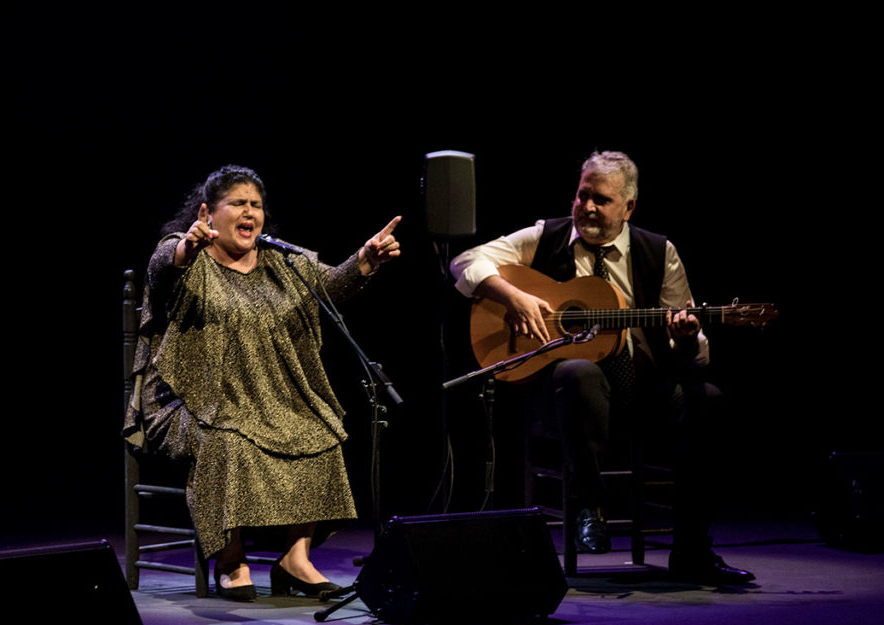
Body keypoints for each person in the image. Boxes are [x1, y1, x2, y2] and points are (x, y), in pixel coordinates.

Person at [449, 150, 754, 585]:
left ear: (628, 207)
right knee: (578, 372)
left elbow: (696, 355)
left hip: (643, 391)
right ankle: (588, 506)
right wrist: (512, 296)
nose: (587, 208)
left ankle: (693, 549)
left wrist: (686, 339)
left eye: (602, 200)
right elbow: (464, 261)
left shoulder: (658, 252)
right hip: (563, 395)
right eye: (582, 195)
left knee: (708, 400)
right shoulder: (545, 236)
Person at [124, 164, 401, 601]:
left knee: (320, 429)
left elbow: (328, 286)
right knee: (229, 440)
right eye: (237, 203)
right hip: (183, 402)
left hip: (267, 397)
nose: (249, 212)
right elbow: (163, 267)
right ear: (207, 213)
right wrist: (187, 248)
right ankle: (230, 558)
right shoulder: (184, 254)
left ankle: (296, 557)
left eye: (255, 205)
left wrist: (364, 261)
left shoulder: (280, 261)